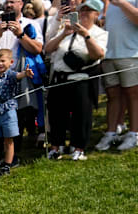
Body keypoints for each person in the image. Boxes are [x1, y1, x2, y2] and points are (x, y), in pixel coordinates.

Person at [0, 0, 44, 164]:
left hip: (18, 76)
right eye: (6, 2)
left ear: (21, 4)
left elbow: (38, 48)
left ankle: (12, 155)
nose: (9, 5)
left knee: (17, 116)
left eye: (12, 1)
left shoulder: (30, 24)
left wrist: (20, 35)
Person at [45, 0, 108, 160]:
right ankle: (55, 147)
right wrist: (64, 34)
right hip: (60, 78)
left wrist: (85, 35)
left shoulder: (100, 33)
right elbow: (48, 49)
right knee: (57, 115)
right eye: (82, 10)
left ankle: (78, 148)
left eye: (88, 11)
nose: (84, 13)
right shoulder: (67, 29)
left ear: (96, 14)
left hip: (82, 80)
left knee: (82, 116)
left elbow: (98, 55)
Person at [94, 0, 138, 151]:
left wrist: (121, 3)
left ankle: (134, 134)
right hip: (109, 56)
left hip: (131, 54)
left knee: (133, 95)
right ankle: (111, 132)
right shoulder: (109, 3)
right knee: (112, 96)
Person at [0, 49, 34, 177]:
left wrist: (25, 73)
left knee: (9, 140)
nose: (0, 64)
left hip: (8, 110)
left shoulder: (11, 75)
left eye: (3, 61)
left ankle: (7, 165)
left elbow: (19, 75)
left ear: (10, 62)